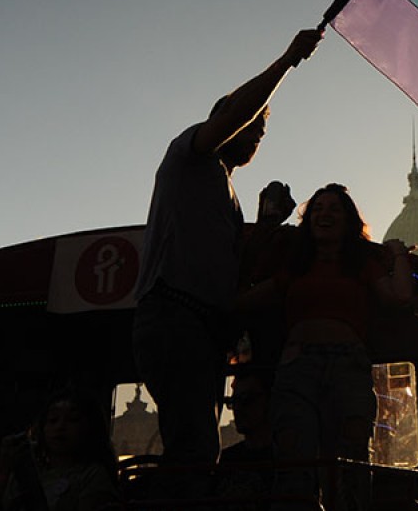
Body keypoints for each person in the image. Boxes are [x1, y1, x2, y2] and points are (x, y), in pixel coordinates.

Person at [131, 27, 322, 497]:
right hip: (176, 317)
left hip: (204, 329)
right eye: (251, 124)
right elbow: (237, 112)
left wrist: (267, 225)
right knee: (194, 450)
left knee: (200, 447)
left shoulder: (228, 197)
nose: (256, 134)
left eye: (262, 131)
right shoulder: (189, 155)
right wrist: (286, 61)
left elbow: (234, 275)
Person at [264, 184, 413, 511]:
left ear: (348, 220)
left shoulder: (361, 265)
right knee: (293, 455)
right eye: (318, 209)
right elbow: (260, 294)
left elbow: (400, 296)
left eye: (334, 209)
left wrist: (398, 253)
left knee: (351, 460)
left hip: (348, 367)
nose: (324, 214)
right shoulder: (297, 266)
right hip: (298, 368)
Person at [0, 388, 119, 511]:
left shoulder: (93, 476)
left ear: (90, 428)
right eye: (53, 420)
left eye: (73, 419)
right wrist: (2, 471)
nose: (60, 427)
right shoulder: (20, 475)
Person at [214, 369, 276, 510]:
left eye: (246, 400)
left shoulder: (285, 463)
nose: (237, 408)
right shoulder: (226, 460)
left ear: (269, 401)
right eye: (233, 402)